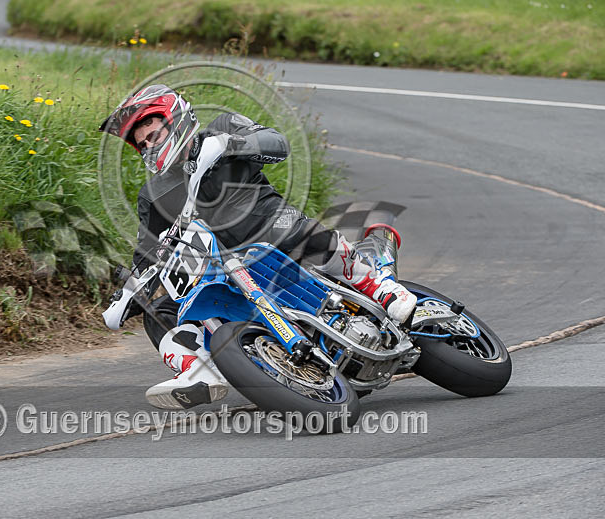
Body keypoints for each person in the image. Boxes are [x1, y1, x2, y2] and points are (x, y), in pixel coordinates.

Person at [99, 84, 416, 409]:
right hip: (217, 268)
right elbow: (149, 250)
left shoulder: (222, 129)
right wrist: (127, 294)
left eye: (152, 135)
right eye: (142, 144)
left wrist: (230, 144)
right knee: (160, 311)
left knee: (277, 223)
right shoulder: (153, 195)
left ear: (175, 118)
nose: (148, 146)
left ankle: (379, 285)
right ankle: (198, 372)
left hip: (271, 233)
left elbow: (277, 145)